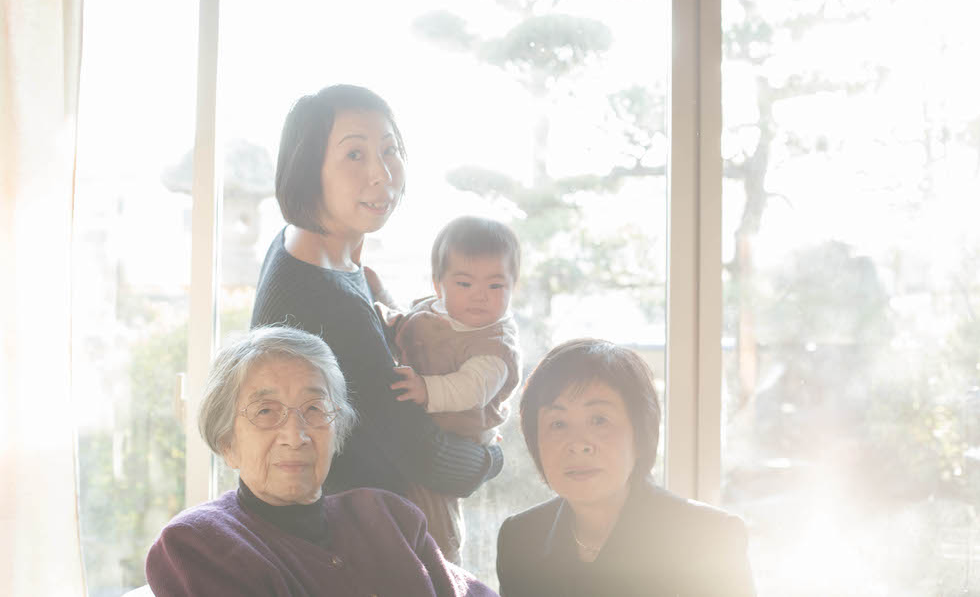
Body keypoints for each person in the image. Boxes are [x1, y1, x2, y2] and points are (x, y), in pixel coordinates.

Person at [250, 84, 502, 501]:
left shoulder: (301, 244)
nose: (381, 173)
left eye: (389, 150)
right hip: (349, 532)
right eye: (354, 154)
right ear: (310, 170)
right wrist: (494, 456)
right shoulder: (327, 301)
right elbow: (430, 459)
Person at [145, 326, 497, 596]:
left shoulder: (390, 517)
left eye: (314, 409)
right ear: (226, 443)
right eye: (266, 411)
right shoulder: (197, 545)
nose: (295, 435)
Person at [496, 339, 756, 597]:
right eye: (558, 424)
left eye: (599, 420)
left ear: (640, 435)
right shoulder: (520, 539)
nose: (577, 444)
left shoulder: (709, 538)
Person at [382, 215, 522, 564]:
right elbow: (409, 327)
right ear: (438, 284)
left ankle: (446, 571)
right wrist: (386, 312)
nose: (480, 297)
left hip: (460, 439)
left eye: (495, 286)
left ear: (513, 287)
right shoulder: (432, 310)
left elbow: (470, 389)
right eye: (464, 283)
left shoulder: (494, 345)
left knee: (435, 519)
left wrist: (426, 389)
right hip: (426, 430)